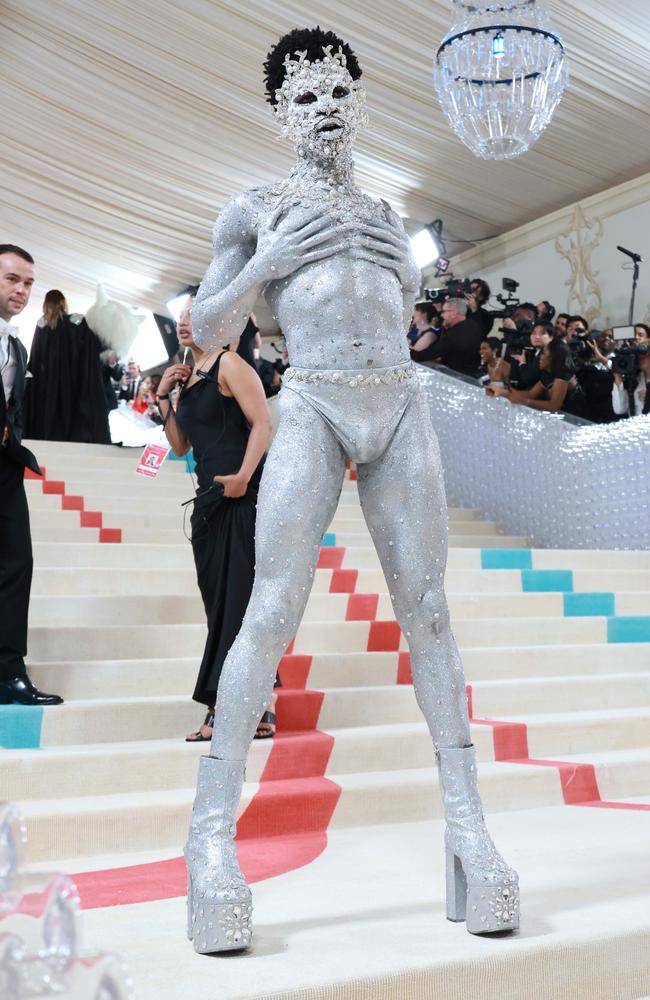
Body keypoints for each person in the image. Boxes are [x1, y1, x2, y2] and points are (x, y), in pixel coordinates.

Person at [183, 27, 519, 956]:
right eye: (306, 98)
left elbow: (391, 316)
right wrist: (265, 261)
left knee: (431, 611)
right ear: (280, 114)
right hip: (316, 401)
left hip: (400, 404)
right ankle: (210, 841)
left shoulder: (383, 208)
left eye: (338, 92)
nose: (325, 108)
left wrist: (407, 266)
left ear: (358, 102)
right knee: (271, 608)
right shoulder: (251, 206)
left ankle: (470, 829)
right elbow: (207, 326)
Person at [157, 300, 275, 742]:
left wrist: (245, 477)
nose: (184, 323)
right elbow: (181, 445)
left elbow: (262, 424)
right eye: (181, 317)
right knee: (221, 606)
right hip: (208, 500)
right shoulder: (189, 371)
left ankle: (222, 705)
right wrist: (165, 396)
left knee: (234, 605)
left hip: (241, 496)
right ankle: (263, 704)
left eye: (193, 315)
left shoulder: (230, 363)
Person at [0, 245, 62, 706]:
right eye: (11, 280)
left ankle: (8, 673)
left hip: (5, 466)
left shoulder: (16, 345)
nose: (21, 290)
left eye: (27, 283)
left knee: (17, 565)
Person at [24, 289, 110, 444]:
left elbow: (35, 360)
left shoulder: (41, 325)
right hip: (74, 385)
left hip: (47, 389)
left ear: (45, 304)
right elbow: (92, 348)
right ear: (64, 302)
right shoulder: (76, 320)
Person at [487, 337, 586, 416]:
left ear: (552, 357)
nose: (540, 357)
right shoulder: (549, 373)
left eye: (543, 353)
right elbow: (530, 394)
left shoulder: (563, 375)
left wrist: (525, 402)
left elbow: (553, 407)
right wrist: (503, 392)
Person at [424, 297, 483, 376]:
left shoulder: (454, 334)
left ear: (454, 313)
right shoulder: (473, 325)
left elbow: (427, 355)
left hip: (458, 377)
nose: (442, 315)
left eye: (444, 312)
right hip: (473, 373)